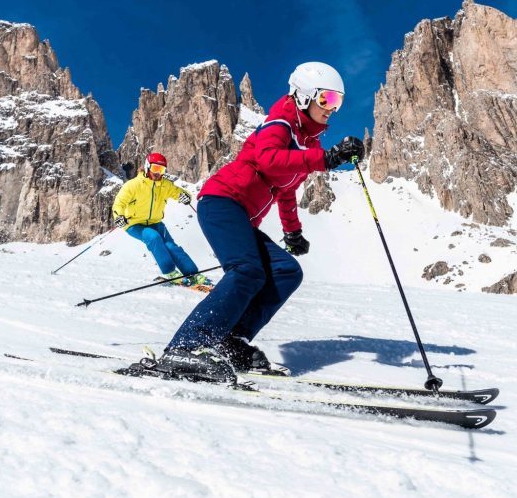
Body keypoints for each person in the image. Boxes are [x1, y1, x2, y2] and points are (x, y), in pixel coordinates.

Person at [153, 62, 364, 382]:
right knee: (247, 271)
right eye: (328, 100)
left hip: (240, 214)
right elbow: (267, 159)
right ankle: (186, 347)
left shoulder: (308, 142)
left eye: (338, 103)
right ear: (305, 96)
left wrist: (293, 232)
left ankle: (230, 340)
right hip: (221, 201)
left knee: (286, 270)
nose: (332, 109)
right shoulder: (281, 123)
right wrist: (326, 159)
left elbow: (287, 189)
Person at [112, 152, 211, 287]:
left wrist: (185, 196)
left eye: (162, 170)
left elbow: (179, 192)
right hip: (134, 224)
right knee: (153, 237)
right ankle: (170, 273)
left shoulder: (165, 185)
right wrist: (118, 216)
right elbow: (119, 203)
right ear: (147, 167)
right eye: (155, 168)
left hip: (156, 223)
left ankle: (192, 274)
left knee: (171, 246)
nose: (158, 173)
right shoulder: (133, 185)